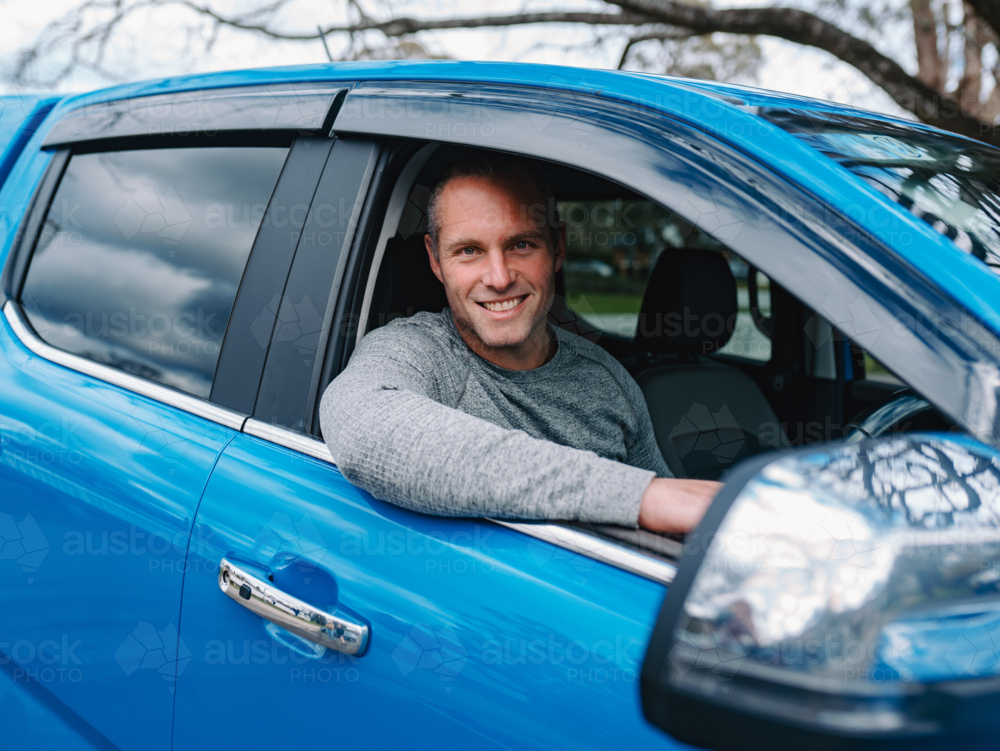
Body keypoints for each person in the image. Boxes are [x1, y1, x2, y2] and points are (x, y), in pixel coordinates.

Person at [319, 152, 721, 532]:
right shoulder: (415, 352)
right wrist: (638, 496)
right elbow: (363, 429)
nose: (498, 277)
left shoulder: (608, 380)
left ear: (558, 247)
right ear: (435, 260)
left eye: (521, 245)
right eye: (469, 250)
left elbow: (675, 518)